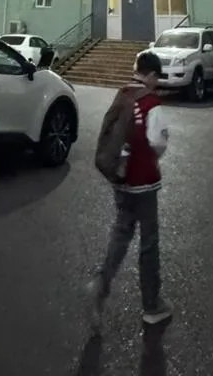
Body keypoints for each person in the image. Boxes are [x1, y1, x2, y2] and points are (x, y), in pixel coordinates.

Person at [89, 50, 171, 328]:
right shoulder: (150, 102)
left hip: (121, 179)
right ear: (151, 75)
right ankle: (152, 305)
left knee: (121, 233)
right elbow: (158, 142)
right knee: (149, 242)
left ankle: (101, 283)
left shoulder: (123, 94)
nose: (156, 84)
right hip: (144, 181)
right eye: (156, 78)